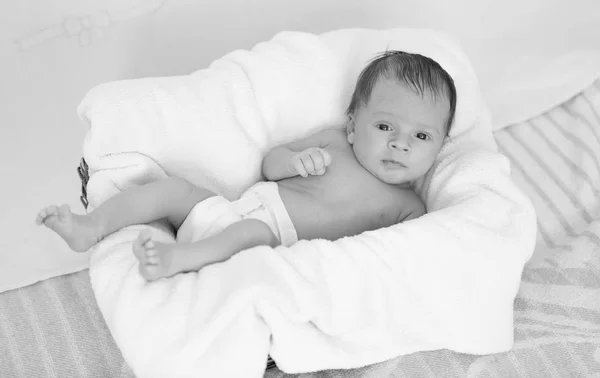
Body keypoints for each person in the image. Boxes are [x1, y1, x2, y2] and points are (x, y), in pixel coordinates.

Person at [36, 50, 457, 281]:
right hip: (227, 209)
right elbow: (270, 166)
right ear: (352, 126)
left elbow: (389, 259)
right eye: (385, 125)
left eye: (421, 137)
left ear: (439, 148)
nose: (400, 144)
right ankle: (91, 226)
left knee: (253, 233)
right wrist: (294, 160)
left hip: (269, 244)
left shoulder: (408, 208)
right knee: (173, 189)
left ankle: (180, 259)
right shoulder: (332, 144)